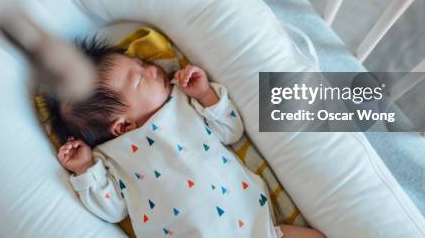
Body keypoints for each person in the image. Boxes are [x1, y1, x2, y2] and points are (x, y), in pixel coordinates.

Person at [48, 36, 324, 238]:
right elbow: (113, 210)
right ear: (122, 126)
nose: (153, 68)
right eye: (140, 78)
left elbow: (231, 131)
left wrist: (206, 96)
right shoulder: (110, 157)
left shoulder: (182, 103)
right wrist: (85, 169)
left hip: (255, 227)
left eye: (142, 63)